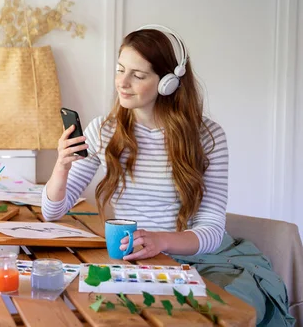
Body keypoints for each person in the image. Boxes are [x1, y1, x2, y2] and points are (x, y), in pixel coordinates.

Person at [41, 24, 228, 260]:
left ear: (168, 83)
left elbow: (212, 231)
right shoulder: (102, 130)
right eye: (120, 70)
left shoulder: (208, 137)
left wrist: (160, 240)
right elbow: (52, 212)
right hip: (130, 259)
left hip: (188, 261)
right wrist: (62, 166)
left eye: (138, 75)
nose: (122, 82)